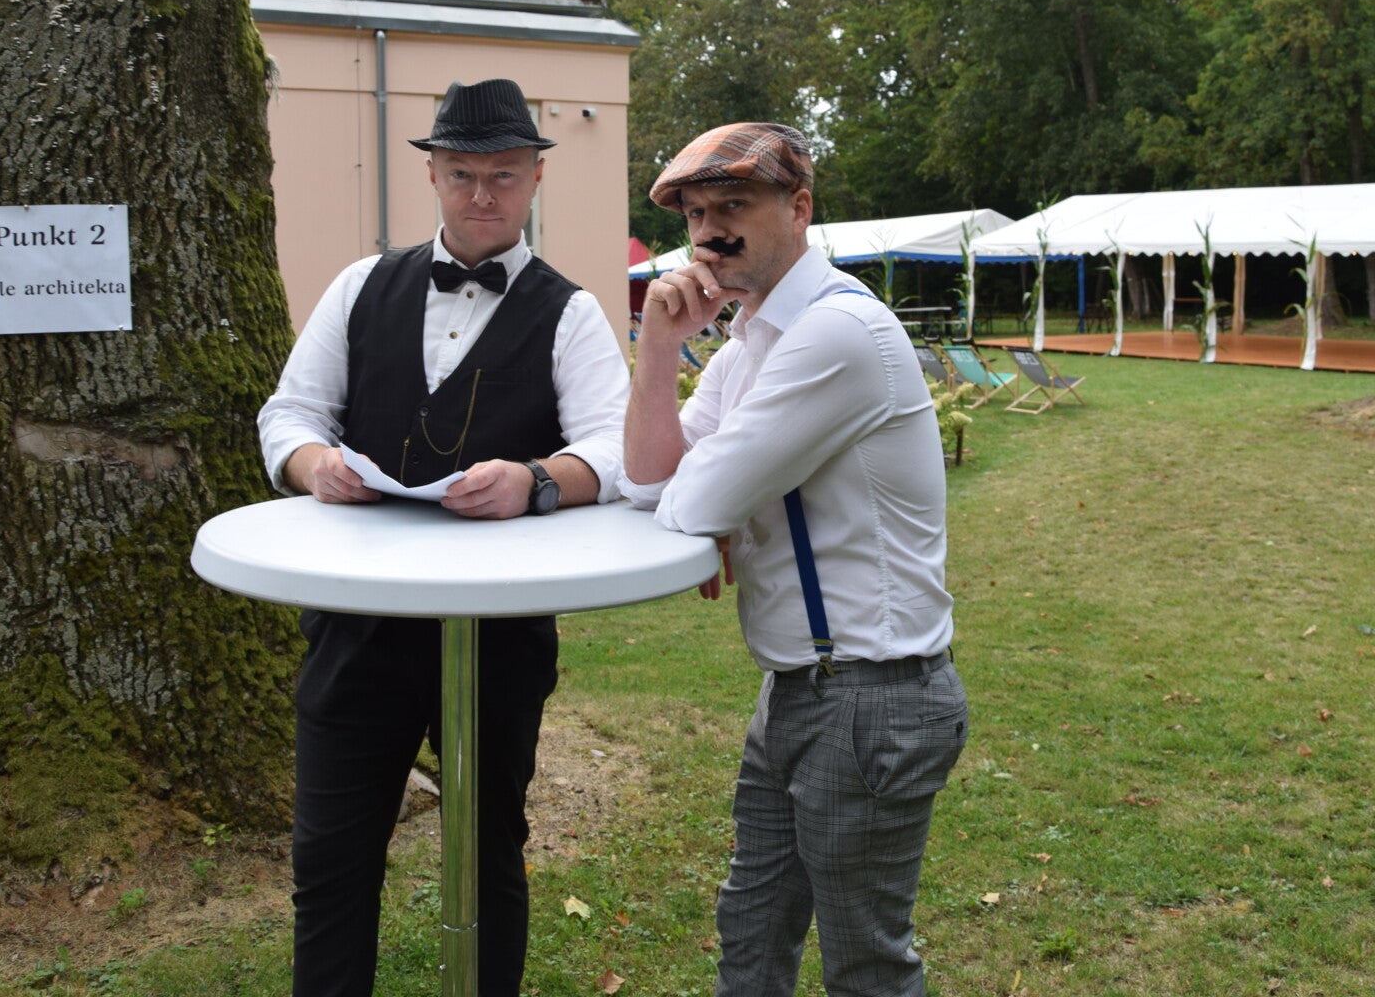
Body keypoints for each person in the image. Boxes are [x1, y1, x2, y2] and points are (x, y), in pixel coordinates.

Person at [257, 78, 629, 997]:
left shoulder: (571, 311)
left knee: (490, 851)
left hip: (500, 631)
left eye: (503, 175)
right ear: (432, 175)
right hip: (356, 621)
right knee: (330, 860)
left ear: (535, 177)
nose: (481, 195)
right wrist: (314, 465)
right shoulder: (360, 286)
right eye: (462, 173)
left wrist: (537, 480)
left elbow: (617, 449)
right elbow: (289, 413)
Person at [621, 122, 968, 997]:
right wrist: (658, 346)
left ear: (800, 207)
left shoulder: (836, 333)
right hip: (802, 687)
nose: (710, 233)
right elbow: (650, 481)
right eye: (696, 215)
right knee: (752, 930)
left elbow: (694, 501)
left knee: (865, 966)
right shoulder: (751, 340)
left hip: (871, 695)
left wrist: (713, 510)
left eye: (733, 206)